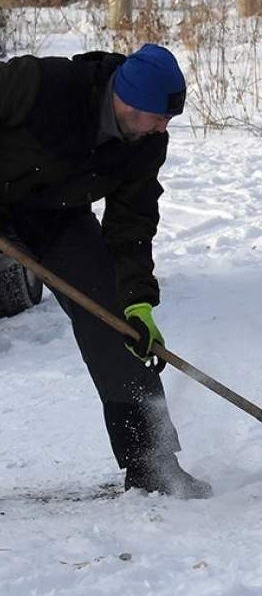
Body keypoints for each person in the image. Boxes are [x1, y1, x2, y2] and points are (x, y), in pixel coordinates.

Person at [0, 44, 212, 499]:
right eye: (158, 116)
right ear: (126, 101)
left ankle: (152, 463)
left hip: (56, 218)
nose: (164, 127)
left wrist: (138, 299)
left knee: (115, 324)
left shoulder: (146, 141)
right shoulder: (41, 85)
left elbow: (131, 222)